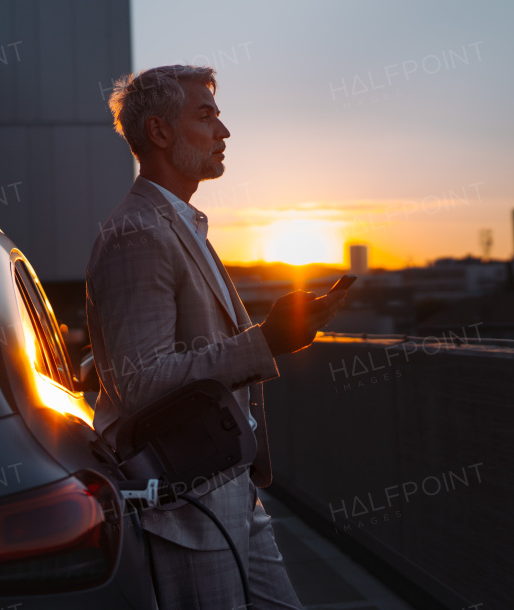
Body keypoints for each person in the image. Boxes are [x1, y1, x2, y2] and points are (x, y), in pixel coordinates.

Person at [87, 64, 345, 608]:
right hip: (187, 512)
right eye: (205, 116)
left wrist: (276, 333)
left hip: (228, 491)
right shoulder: (138, 233)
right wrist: (266, 341)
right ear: (159, 133)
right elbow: (141, 381)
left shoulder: (180, 222)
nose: (223, 133)